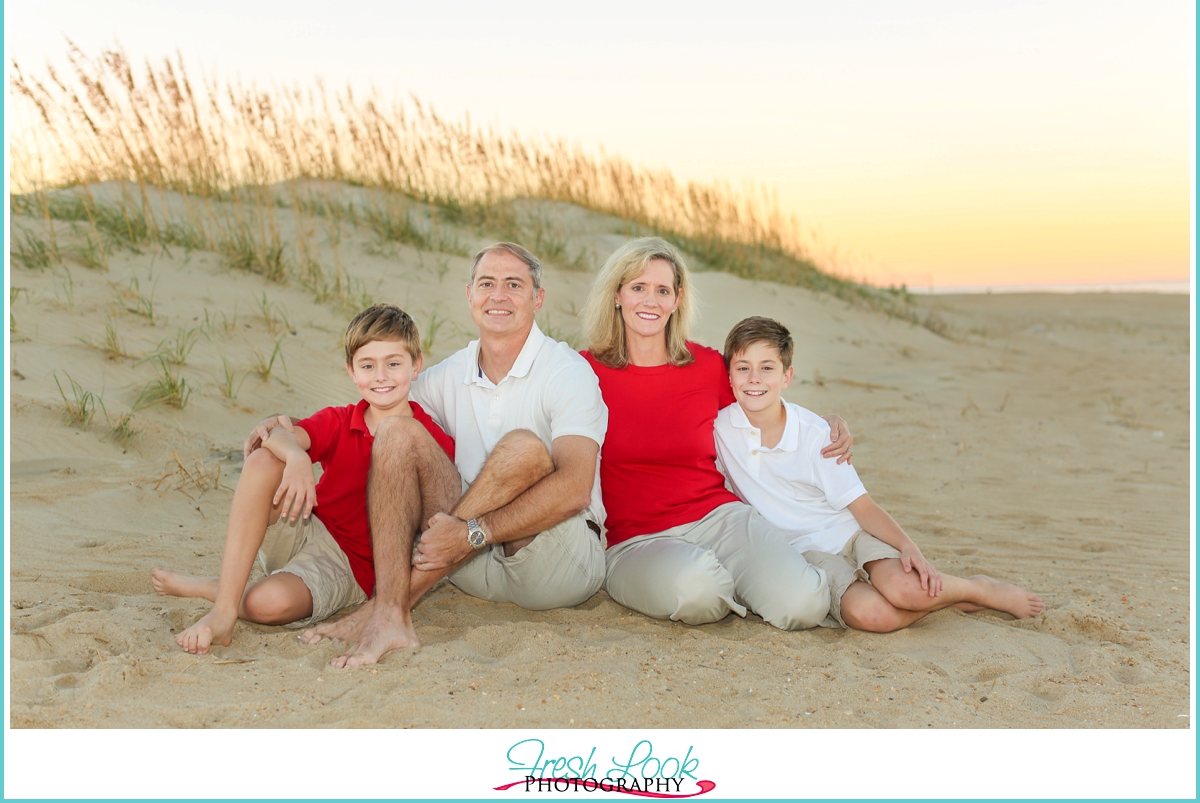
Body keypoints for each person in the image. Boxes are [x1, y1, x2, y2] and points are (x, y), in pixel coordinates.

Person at [248, 242, 608, 668]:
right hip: (462, 566)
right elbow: (377, 399)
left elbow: (574, 490)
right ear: (469, 295)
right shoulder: (450, 374)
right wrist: (286, 429)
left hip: (551, 564)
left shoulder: (566, 371)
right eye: (487, 283)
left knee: (524, 449)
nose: (498, 296)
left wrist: (472, 532)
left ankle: (387, 606)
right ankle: (392, 615)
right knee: (399, 432)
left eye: (514, 284)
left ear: (538, 298)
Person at [578, 237, 849, 629]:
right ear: (618, 295)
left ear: (677, 299)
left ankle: (769, 574)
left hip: (720, 518)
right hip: (636, 541)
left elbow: (764, 406)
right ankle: (731, 582)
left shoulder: (706, 367)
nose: (650, 301)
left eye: (662, 290)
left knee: (803, 605)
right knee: (699, 595)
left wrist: (828, 422)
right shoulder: (584, 371)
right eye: (638, 288)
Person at [153, 304, 454, 655]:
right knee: (266, 461)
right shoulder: (341, 420)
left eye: (394, 363)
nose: (381, 376)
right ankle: (223, 613)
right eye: (368, 366)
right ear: (352, 372)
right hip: (304, 524)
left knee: (269, 605)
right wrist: (296, 457)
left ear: (416, 365)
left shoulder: (429, 439)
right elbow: (276, 433)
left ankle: (219, 588)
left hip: (349, 563)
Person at [714, 316, 1046, 631]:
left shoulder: (817, 435)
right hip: (803, 554)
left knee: (905, 590)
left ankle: (978, 589)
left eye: (767, 368)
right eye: (743, 368)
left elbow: (864, 508)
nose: (754, 379)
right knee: (872, 615)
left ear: (787, 376)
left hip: (849, 533)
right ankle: (951, 601)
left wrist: (910, 549)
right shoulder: (720, 427)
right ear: (729, 376)